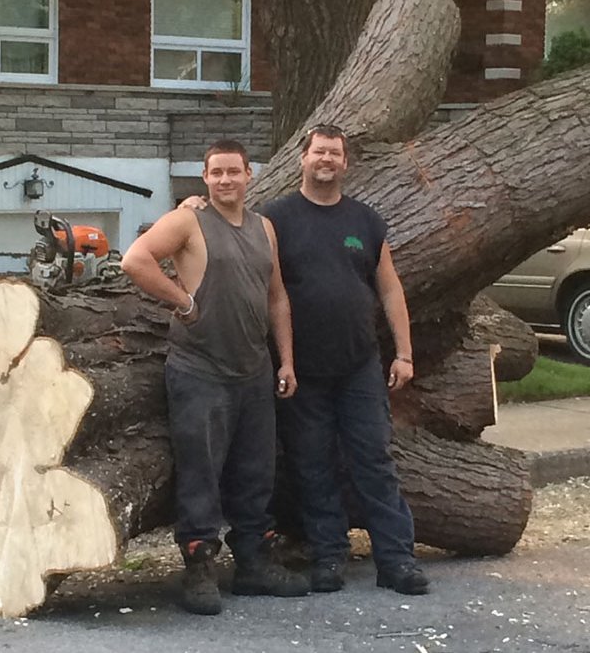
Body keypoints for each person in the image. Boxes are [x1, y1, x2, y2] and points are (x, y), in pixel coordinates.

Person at [183, 125, 428, 596]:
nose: (326, 159)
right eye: (319, 151)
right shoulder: (275, 220)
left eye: (334, 153)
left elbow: (390, 287)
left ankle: (397, 559)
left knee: (374, 460)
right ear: (302, 158)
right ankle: (328, 556)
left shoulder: (366, 221)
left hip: (360, 365)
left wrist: (404, 353)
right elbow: (231, 232)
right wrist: (191, 205)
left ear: (345, 162)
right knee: (313, 465)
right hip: (302, 371)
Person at [121, 140, 309, 616]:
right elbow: (135, 260)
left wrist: (285, 360)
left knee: (255, 470)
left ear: (250, 175)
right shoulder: (188, 220)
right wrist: (182, 301)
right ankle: (199, 566)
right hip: (199, 369)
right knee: (201, 471)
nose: (226, 180)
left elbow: (277, 297)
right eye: (216, 173)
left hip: (253, 370)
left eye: (234, 172)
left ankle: (252, 563)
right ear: (204, 178)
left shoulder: (264, 228)